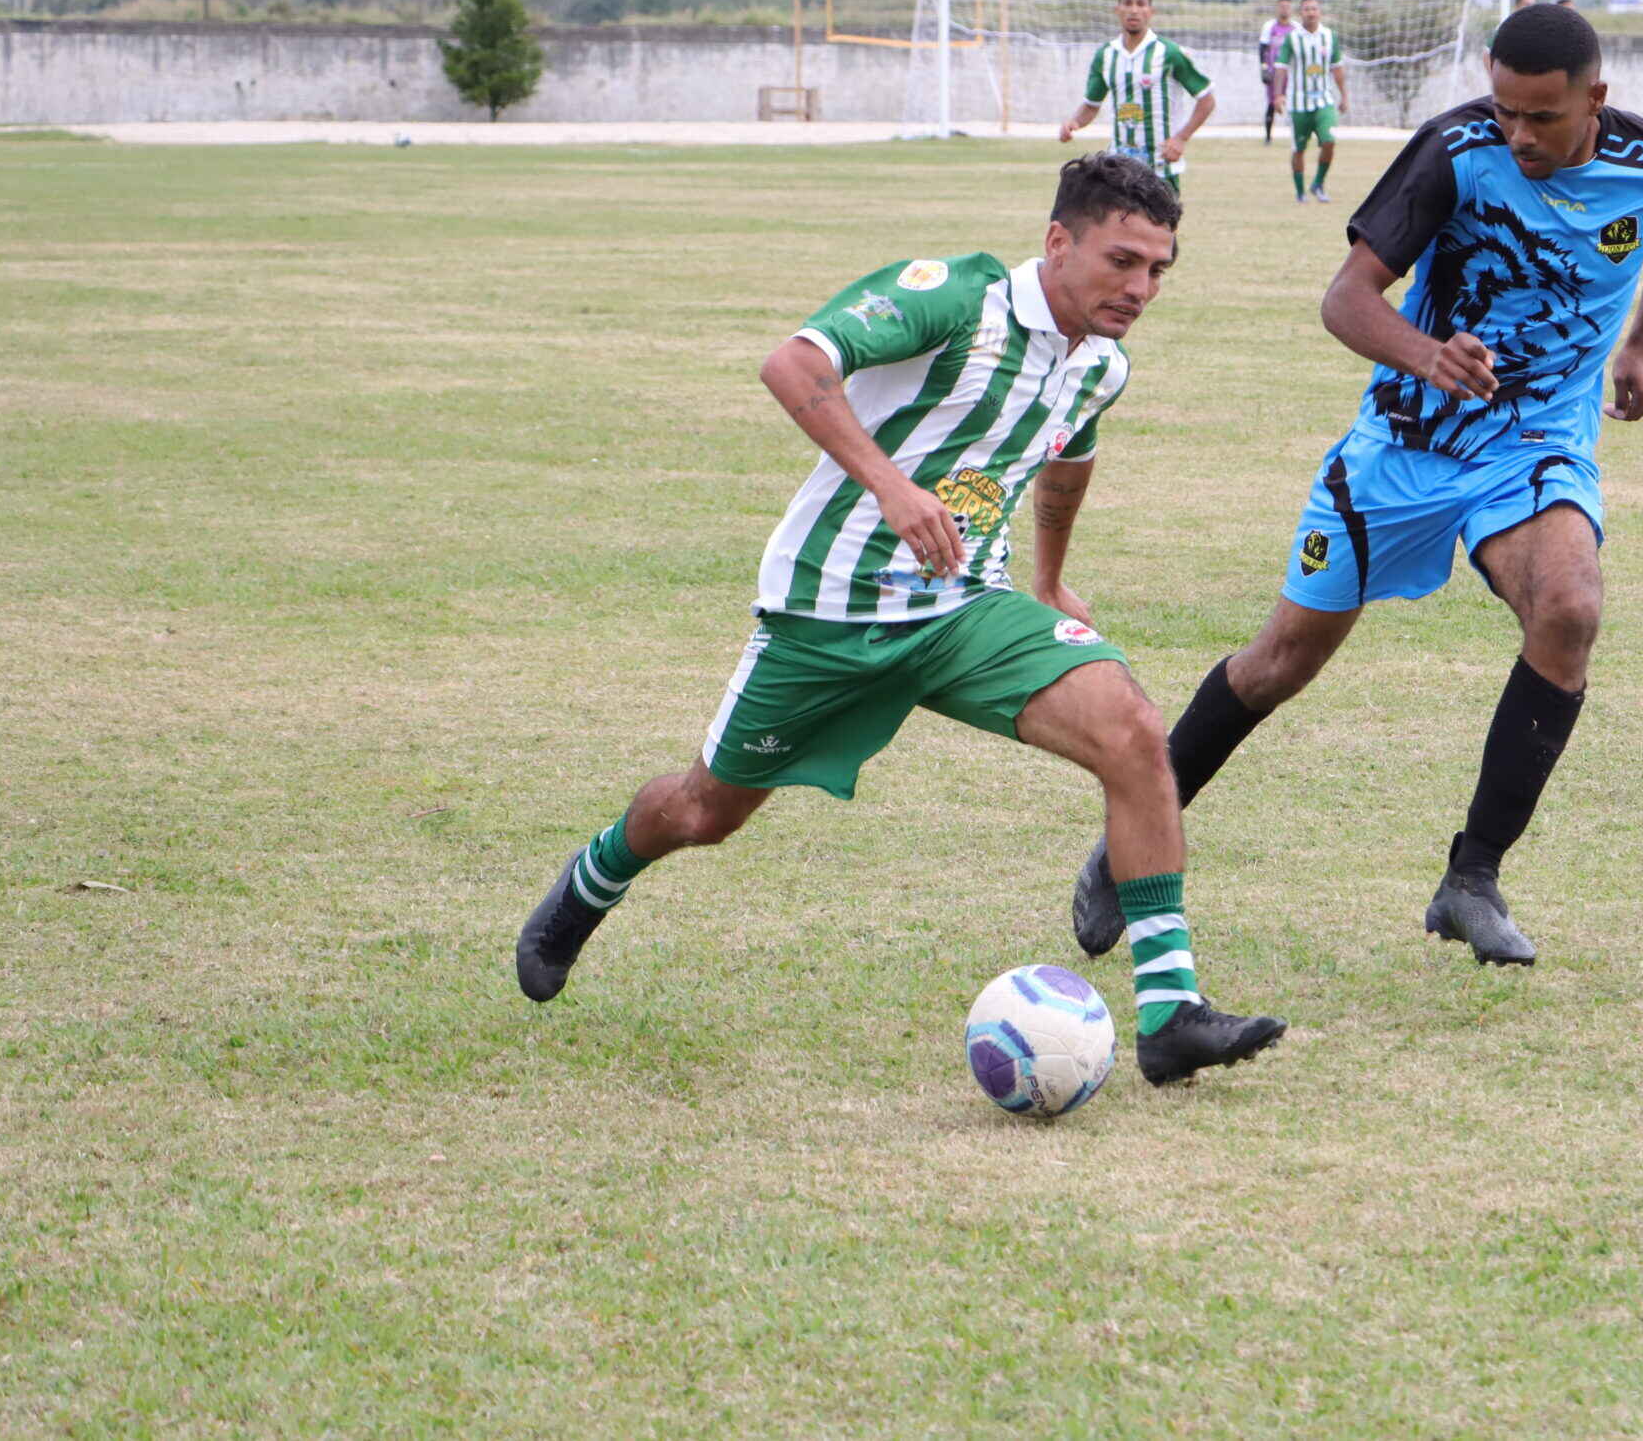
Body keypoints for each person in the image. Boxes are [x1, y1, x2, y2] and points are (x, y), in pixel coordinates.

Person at [514, 155, 1286, 1086]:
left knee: (1133, 730)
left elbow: (1067, 453)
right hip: (830, 612)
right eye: (1123, 260)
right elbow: (792, 362)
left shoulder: (1102, 367)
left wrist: (1048, 576)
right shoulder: (960, 299)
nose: (1141, 287)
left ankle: (1171, 1014)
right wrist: (891, 487)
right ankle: (589, 883)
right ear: (1057, 240)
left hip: (966, 608)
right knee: (702, 811)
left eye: (1159, 269)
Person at [1070, 3, 1643, 967]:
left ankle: (1472, 877)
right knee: (1278, 663)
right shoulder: (1455, 150)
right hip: (1406, 443)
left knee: (1571, 606)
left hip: (1534, 444)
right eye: (1504, 110)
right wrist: (1428, 355)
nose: (1518, 135)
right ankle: (1128, 848)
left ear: (1597, 98)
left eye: (1541, 118)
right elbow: (1345, 299)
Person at [1059, 0, 1217, 194]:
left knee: (1159, 228)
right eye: (1128, 3)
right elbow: (1091, 104)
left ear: (1150, 11)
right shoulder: (1105, 55)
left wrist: (1181, 138)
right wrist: (1074, 122)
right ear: (1117, 9)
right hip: (1117, 168)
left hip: (1161, 167)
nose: (1134, 10)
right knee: (1114, 227)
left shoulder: (1169, 53)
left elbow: (1206, 99)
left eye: (1141, 4)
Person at [1272, 0, 1348, 204]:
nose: (1311, 13)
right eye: (1306, 9)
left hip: (1324, 101)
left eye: (1314, 9)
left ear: (1320, 12)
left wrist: (1344, 96)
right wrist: (1278, 95)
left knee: (1330, 141)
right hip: (1298, 104)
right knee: (1299, 149)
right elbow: (1280, 68)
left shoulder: (1330, 36)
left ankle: (1318, 184)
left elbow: (1337, 68)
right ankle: (1300, 193)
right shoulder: (1292, 38)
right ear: (1301, 13)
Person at [1258, 0, 1296, 146]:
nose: (1284, 9)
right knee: (1272, 104)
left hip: (1291, 74)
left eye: (1287, 6)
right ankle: (1268, 137)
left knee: (1294, 104)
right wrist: (1264, 68)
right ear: (1277, 8)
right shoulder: (1270, 27)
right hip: (1274, 73)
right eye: (1281, 6)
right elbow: (1262, 48)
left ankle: (1297, 135)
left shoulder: (1295, 28)